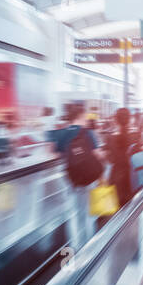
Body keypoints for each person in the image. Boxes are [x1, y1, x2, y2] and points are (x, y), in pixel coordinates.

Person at [56, 103, 105, 243]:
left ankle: (76, 247)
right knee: (89, 213)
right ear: (81, 116)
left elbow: (59, 155)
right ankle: (89, 246)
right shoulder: (88, 133)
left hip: (72, 178)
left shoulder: (62, 133)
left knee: (75, 213)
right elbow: (98, 154)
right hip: (89, 178)